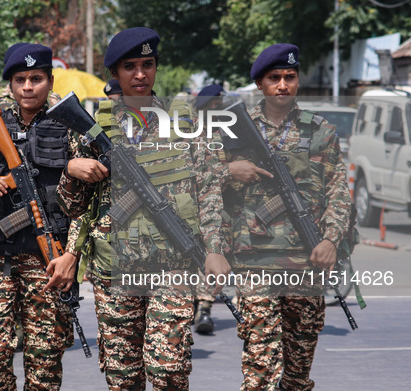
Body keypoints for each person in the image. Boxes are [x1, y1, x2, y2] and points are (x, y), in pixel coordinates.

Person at [56, 27, 230, 390]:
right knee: (123, 377)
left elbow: (210, 190)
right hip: (114, 269)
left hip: (174, 264)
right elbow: (74, 207)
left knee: (169, 372)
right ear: (115, 74)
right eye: (130, 67)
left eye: (147, 65)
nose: (140, 75)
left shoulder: (188, 121)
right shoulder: (92, 126)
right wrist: (72, 171)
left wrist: (214, 249)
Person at [213, 43, 351, 390]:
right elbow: (199, 182)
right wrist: (230, 169)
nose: (283, 84)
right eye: (274, 77)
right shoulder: (232, 128)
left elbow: (338, 192)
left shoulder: (321, 131)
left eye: (290, 76)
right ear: (260, 83)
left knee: (297, 370)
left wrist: (331, 239)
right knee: (260, 365)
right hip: (254, 261)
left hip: (307, 261)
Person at [0, 43, 75, 391]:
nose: (28, 86)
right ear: (10, 84)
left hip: (48, 257)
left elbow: (87, 203)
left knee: (45, 355)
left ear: (50, 80)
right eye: (20, 79)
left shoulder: (69, 125)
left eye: (36, 78)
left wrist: (72, 253)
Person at [192, 83, 225, 335]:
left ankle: (204, 307)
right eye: (216, 103)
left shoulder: (223, 131)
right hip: (192, 206)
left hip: (219, 206)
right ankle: (198, 305)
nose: (219, 106)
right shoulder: (194, 131)